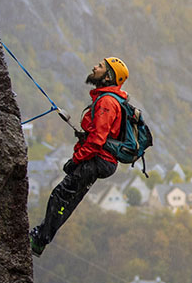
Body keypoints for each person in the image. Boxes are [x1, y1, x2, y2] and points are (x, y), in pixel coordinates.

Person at [29, 56, 130, 256]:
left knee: (60, 196)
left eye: (101, 66)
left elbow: (97, 140)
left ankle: (40, 239)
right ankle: (41, 239)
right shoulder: (109, 99)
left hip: (97, 160)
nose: (95, 66)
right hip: (103, 161)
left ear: (109, 76)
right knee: (68, 199)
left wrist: (76, 160)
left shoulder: (107, 102)